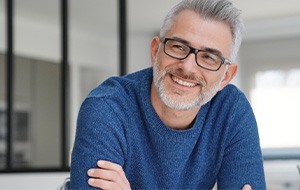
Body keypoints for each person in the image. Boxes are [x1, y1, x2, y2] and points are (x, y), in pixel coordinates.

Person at [70, 0, 266, 189]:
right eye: (179, 47)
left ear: (226, 76)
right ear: (156, 51)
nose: (188, 67)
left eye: (208, 57)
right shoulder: (107, 107)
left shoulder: (232, 111)